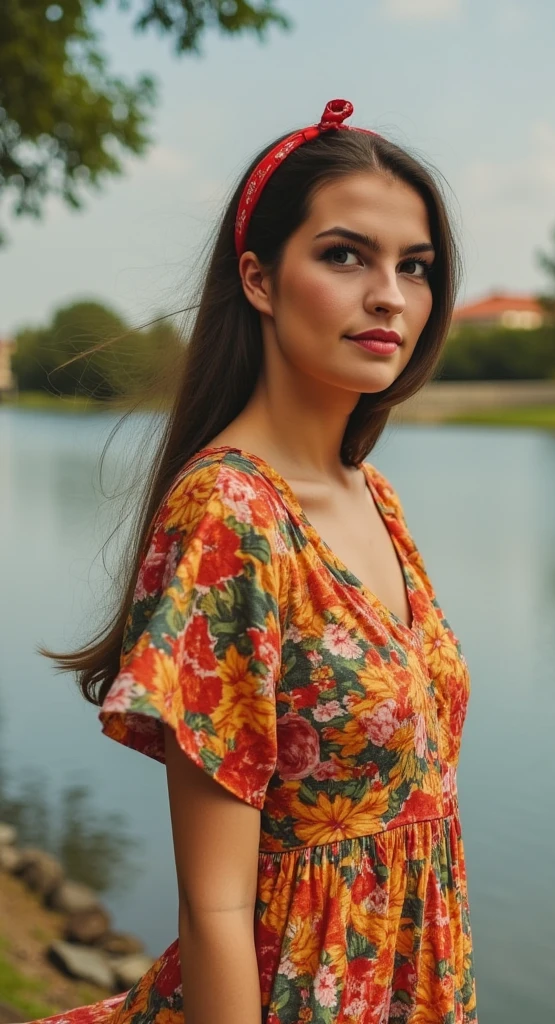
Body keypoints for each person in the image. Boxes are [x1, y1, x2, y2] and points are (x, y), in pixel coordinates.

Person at [33, 98, 477, 1024]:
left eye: (416, 266)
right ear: (261, 279)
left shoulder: (371, 495)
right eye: (345, 254)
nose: (390, 293)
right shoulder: (232, 515)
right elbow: (216, 900)